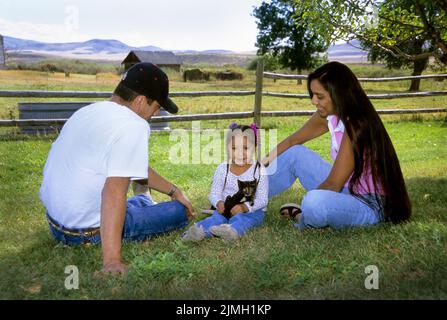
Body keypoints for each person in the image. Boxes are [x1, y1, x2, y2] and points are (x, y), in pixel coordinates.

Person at [40, 62, 194, 276]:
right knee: (180, 211)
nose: (155, 115)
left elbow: (132, 166)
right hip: (86, 232)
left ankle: (144, 200)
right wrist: (112, 261)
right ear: (140, 101)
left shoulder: (89, 111)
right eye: (156, 107)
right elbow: (113, 191)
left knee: (141, 202)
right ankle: (144, 204)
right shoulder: (134, 124)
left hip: (55, 224)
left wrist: (174, 191)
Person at [262, 61, 411, 230]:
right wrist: (257, 166)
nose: (313, 101)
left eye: (320, 96)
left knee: (313, 202)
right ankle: (245, 201)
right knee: (295, 154)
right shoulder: (330, 115)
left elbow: (333, 184)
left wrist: (313, 199)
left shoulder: (357, 126)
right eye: (312, 94)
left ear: (339, 94)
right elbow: (292, 141)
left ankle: (303, 217)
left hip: (369, 204)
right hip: (347, 189)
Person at [182, 123, 268, 242]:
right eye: (234, 148)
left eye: (246, 148)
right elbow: (214, 193)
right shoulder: (223, 168)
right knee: (215, 219)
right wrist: (218, 203)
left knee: (243, 220)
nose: (239, 153)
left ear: (255, 147)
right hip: (226, 209)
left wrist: (245, 207)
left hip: (252, 211)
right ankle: (197, 232)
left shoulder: (259, 170)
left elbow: (263, 199)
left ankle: (232, 231)